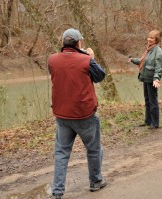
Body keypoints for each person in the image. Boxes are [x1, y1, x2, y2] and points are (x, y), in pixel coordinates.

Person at [48, 28, 107, 199]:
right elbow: (100, 76)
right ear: (78, 43)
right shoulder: (86, 60)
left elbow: (60, 74)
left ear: (63, 43)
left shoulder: (52, 60)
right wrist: (91, 58)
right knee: (94, 149)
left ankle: (57, 192)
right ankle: (95, 182)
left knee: (61, 153)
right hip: (84, 116)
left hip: (62, 116)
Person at [128, 30, 162, 129]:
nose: (149, 40)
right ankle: (148, 121)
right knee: (147, 100)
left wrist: (156, 78)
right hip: (146, 78)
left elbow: (159, 67)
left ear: (156, 40)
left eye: (152, 38)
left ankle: (155, 123)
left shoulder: (158, 51)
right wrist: (133, 60)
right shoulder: (149, 49)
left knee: (153, 102)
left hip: (152, 79)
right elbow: (143, 61)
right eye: (149, 37)